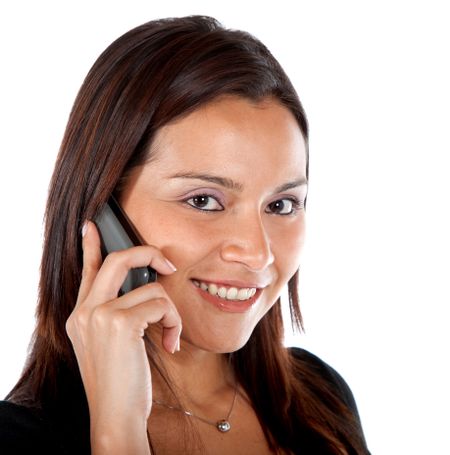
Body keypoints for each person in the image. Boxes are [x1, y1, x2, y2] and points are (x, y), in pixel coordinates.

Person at [0, 15, 370, 454]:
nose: (256, 253)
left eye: (281, 205)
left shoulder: (320, 397)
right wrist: (118, 432)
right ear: (103, 212)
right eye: (203, 201)